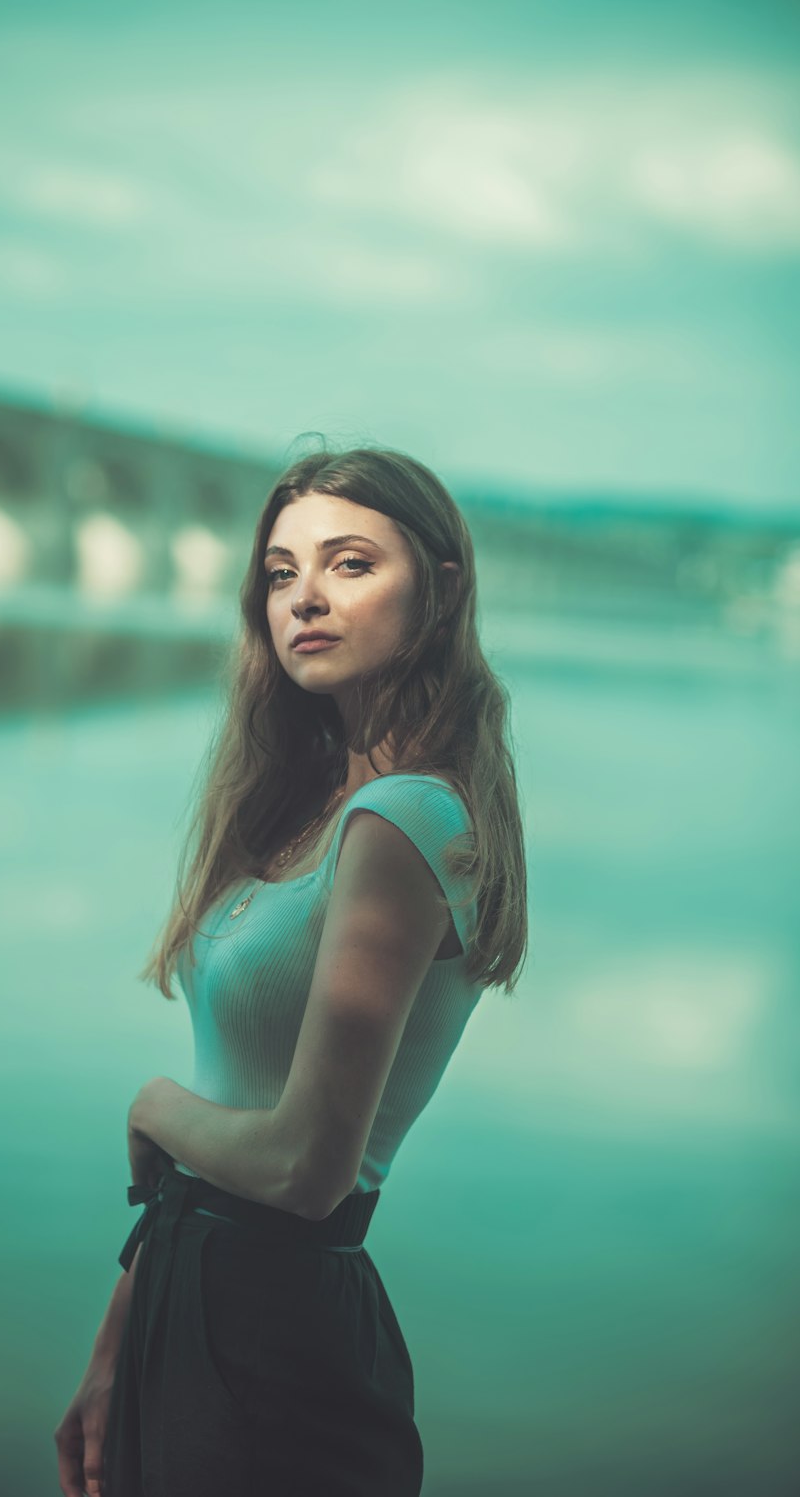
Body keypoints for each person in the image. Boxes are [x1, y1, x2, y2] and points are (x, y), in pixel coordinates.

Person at [54, 446, 528, 1497]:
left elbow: (307, 1171)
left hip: (271, 1341)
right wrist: (115, 1349)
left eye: (349, 563)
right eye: (278, 572)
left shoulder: (403, 821)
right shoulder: (309, 811)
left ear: (441, 590)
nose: (303, 596)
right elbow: (234, 1122)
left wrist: (150, 1101)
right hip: (192, 1293)